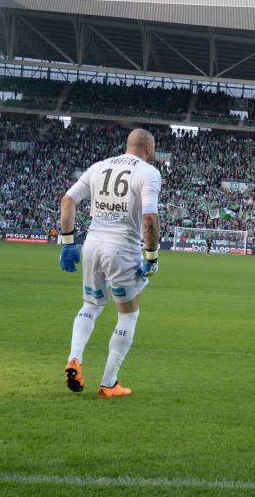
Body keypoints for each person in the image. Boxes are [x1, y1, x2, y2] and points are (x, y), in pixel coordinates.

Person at [60, 128, 162, 398]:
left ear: (127, 145)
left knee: (91, 304)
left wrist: (68, 243)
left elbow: (68, 200)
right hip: (122, 248)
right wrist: (151, 257)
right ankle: (109, 383)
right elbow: (149, 219)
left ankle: (74, 358)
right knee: (128, 313)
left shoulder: (99, 166)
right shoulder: (148, 173)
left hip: (92, 244)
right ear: (149, 149)